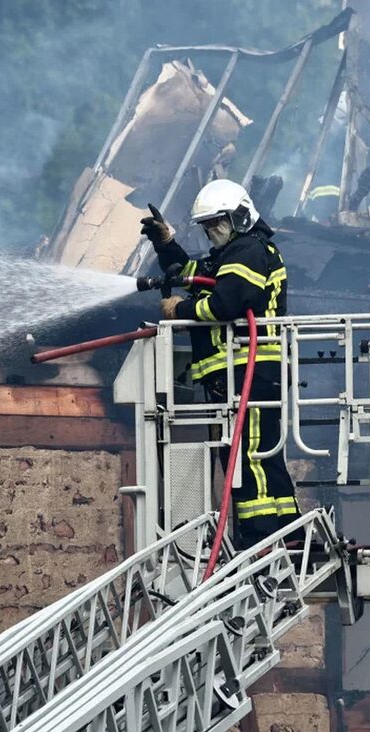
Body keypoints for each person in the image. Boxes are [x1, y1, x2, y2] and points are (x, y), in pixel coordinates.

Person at [139, 179, 299, 550]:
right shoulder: (234, 254)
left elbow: (224, 303)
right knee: (259, 455)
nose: (212, 232)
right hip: (242, 374)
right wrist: (166, 245)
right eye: (207, 227)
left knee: (248, 457)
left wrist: (180, 309)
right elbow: (194, 273)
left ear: (240, 216)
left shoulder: (248, 251)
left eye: (217, 224)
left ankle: (261, 540)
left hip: (250, 372)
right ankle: (289, 532)